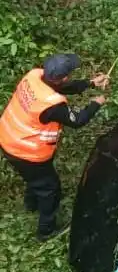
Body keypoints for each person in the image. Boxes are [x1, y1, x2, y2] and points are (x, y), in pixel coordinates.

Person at [0, 54, 109, 241]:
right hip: (26, 151)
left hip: (8, 137)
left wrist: (90, 83)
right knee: (50, 188)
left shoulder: (34, 76)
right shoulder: (52, 105)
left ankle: (31, 203)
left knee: (36, 179)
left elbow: (62, 86)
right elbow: (78, 121)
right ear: (63, 76)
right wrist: (95, 104)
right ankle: (46, 230)